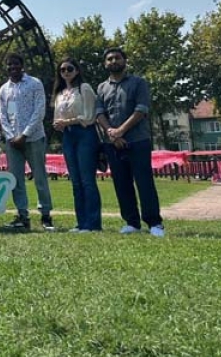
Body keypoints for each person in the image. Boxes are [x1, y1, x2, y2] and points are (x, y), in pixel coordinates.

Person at [95, 47, 164, 237]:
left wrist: (120, 131)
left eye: (117, 58)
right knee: (121, 184)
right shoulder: (101, 88)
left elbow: (141, 109)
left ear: (125, 61)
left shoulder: (138, 83)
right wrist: (112, 133)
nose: (113, 61)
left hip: (137, 140)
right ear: (105, 64)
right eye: (109, 59)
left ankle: (155, 223)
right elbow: (99, 113)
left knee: (144, 182)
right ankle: (132, 222)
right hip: (112, 143)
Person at [0, 52, 54, 231]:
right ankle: (22, 215)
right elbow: (3, 115)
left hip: (34, 138)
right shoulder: (4, 89)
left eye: (16, 64)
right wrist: (10, 136)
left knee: (40, 178)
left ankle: (46, 215)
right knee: (16, 180)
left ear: (22, 66)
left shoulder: (35, 84)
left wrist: (25, 134)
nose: (12, 67)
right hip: (12, 142)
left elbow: (40, 110)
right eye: (9, 65)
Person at [52, 57, 102, 233]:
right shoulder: (59, 94)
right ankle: (81, 222)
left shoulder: (84, 88)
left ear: (77, 70)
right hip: (68, 136)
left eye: (69, 69)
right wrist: (59, 124)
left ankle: (93, 223)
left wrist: (67, 122)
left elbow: (89, 116)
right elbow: (58, 116)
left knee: (87, 180)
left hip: (85, 134)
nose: (66, 72)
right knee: (75, 181)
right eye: (62, 70)